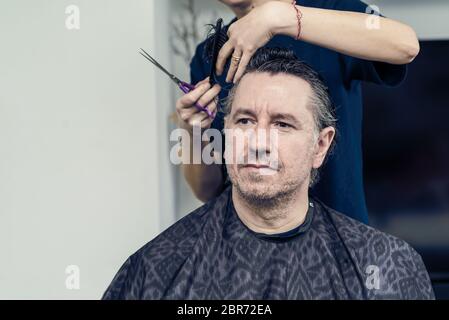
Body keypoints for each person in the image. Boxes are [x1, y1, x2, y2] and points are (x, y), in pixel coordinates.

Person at [103, 48, 434, 300]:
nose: (258, 142)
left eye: (282, 124)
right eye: (245, 121)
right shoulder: (156, 270)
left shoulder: (386, 265)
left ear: (320, 146)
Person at [179, 0, 420, 224]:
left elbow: (405, 43)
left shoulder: (330, 10)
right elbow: (207, 190)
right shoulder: (209, 55)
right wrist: (193, 130)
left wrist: (280, 18)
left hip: (337, 241)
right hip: (246, 249)